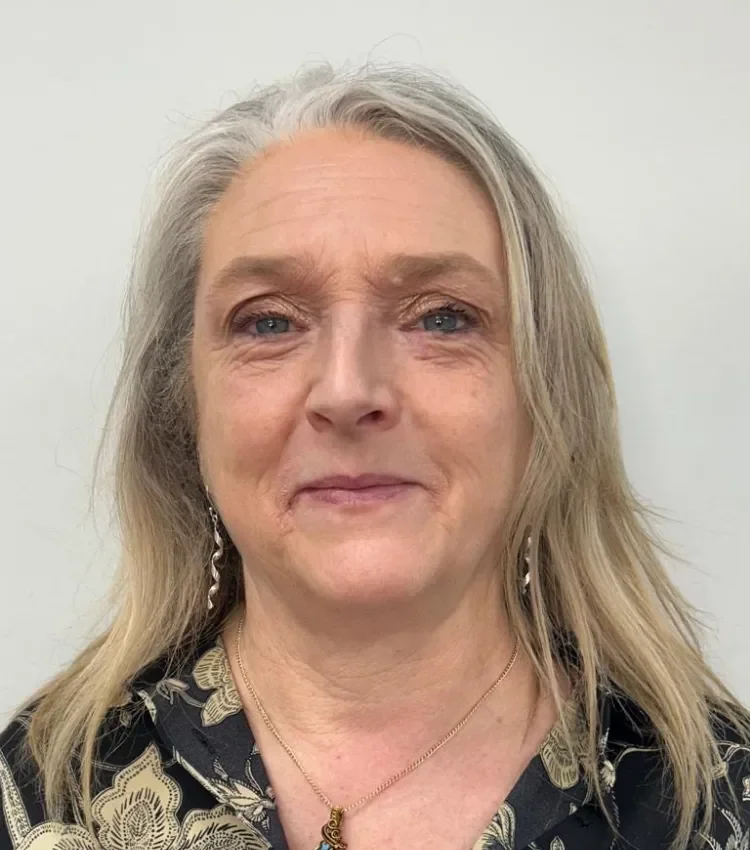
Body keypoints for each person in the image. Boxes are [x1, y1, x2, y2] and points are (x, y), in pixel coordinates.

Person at [0, 60, 748, 850]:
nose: (349, 390)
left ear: (543, 397)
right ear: (184, 408)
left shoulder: (712, 801)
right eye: (269, 323)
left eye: (442, 319)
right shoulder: (45, 795)